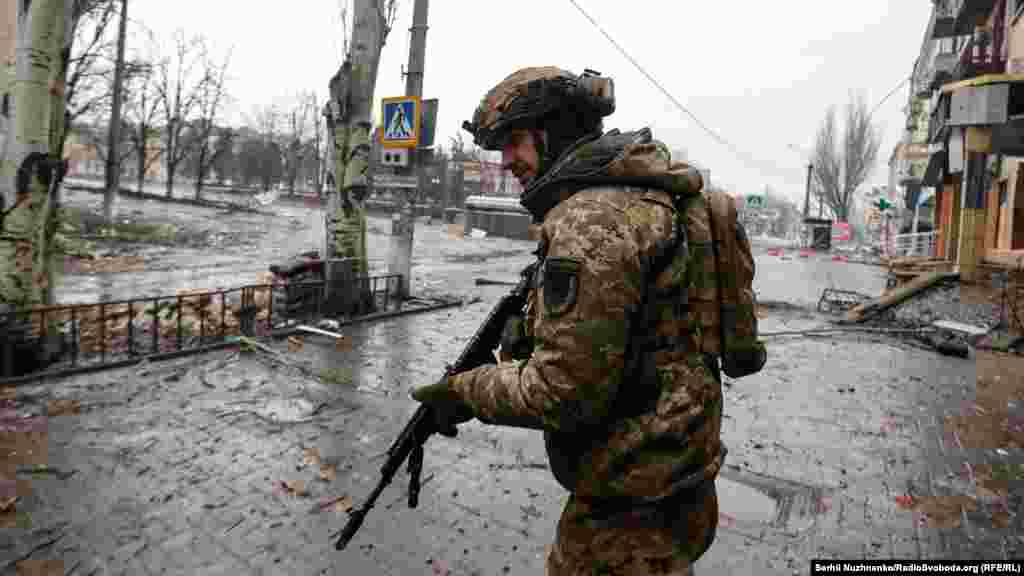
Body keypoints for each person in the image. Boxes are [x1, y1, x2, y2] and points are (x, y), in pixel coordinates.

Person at [412, 66, 761, 575]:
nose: (506, 159)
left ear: (553, 132)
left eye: (514, 140)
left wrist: (465, 392)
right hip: (681, 472)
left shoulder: (592, 220)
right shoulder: (649, 194)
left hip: (630, 502)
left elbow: (561, 392)